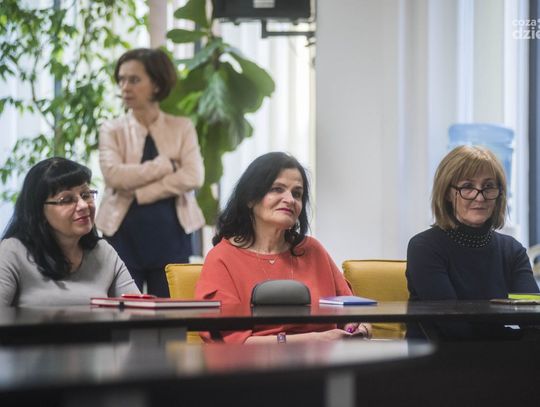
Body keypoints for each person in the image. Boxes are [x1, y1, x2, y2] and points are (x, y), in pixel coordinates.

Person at [195, 152, 371, 343]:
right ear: (250, 198)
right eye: (277, 189)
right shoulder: (222, 258)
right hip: (254, 361)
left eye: (297, 194)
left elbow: (352, 311)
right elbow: (233, 343)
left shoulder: (313, 250)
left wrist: (357, 327)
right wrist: (314, 340)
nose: (290, 199)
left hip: (326, 359)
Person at [97, 48, 205, 297]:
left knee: (171, 314)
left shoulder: (182, 127)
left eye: (134, 80)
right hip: (123, 233)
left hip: (172, 234)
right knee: (122, 311)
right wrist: (165, 166)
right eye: (121, 80)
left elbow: (193, 176)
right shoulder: (111, 129)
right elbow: (114, 176)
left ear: (156, 84)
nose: (125, 87)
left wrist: (141, 193)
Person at [406, 145, 539, 339]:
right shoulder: (424, 247)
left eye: (488, 186)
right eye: (468, 186)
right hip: (440, 355)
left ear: (499, 194)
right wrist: (517, 340)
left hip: (503, 353)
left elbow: (533, 318)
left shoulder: (512, 250)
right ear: (447, 193)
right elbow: (454, 328)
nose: (480, 196)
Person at [0, 157, 140, 307]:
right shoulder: (13, 251)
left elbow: (139, 309)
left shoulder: (102, 251)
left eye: (86, 195)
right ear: (39, 211)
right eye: (66, 200)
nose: (83, 205)